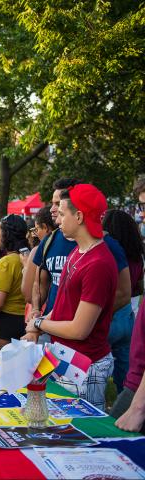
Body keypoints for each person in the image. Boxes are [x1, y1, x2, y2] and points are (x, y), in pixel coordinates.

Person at [25, 184, 117, 410]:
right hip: (63, 356)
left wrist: (38, 322)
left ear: (79, 216)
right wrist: (36, 329)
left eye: (63, 213)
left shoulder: (98, 264)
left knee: (81, 430)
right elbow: (62, 306)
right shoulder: (77, 252)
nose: (57, 220)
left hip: (86, 364)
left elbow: (79, 329)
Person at [29, 178, 130, 323]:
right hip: (50, 326)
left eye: (58, 204)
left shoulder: (105, 246)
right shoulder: (49, 240)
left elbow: (124, 293)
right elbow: (40, 284)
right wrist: (36, 311)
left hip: (80, 334)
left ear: (78, 211)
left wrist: (88, 316)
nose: (52, 209)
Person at [111, 177, 145, 434]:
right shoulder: (134, 256)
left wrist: (138, 407)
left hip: (138, 388)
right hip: (129, 322)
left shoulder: (110, 254)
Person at [102, 209, 144, 392]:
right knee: (126, 377)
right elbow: (138, 287)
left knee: (96, 371)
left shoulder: (108, 254)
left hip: (109, 315)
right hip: (128, 317)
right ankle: (123, 409)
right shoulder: (137, 258)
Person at [0, 214, 28, 350]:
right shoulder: (28, 257)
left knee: (4, 369)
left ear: (7, 234)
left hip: (6, 324)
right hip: (25, 321)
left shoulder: (6, 262)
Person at [21, 206, 55, 305]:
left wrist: (26, 265)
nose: (35, 234)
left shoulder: (38, 250)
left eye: (36, 229)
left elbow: (28, 294)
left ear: (46, 228)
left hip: (45, 310)